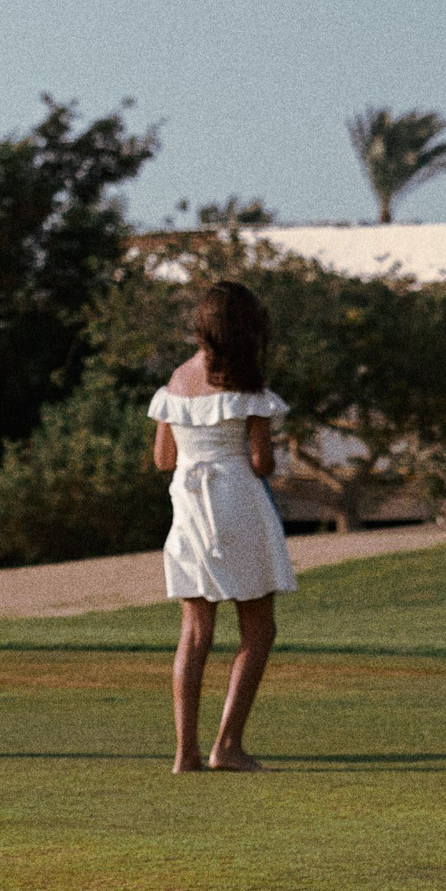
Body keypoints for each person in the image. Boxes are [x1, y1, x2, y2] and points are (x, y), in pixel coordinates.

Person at [150, 280, 296, 773]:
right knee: (258, 629)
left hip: (189, 507)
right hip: (238, 504)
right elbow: (260, 463)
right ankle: (227, 745)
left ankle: (184, 753)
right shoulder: (248, 386)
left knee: (195, 632)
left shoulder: (175, 381)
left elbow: (163, 458)